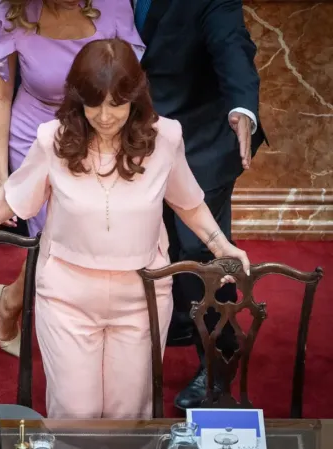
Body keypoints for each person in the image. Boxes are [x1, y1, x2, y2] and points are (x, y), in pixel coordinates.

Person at [0, 39, 251, 419]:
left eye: (117, 103)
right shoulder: (54, 139)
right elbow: (9, 199)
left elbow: (188, 202)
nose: (104, 115)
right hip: (67, 298)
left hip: (142, 295)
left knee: (127, 415)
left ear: (135, 97)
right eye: (93, 102)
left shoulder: (164, 138)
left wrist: (220, 244)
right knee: (74, 415)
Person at [0, 0, 143, 356]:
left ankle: (10, 299)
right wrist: (1, 176)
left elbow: (126, 89)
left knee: (84, 237)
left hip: (97, 134)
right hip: (34, 136)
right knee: (52, 241)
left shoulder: (114, 7)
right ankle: (62, 330)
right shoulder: (11, 11)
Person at [132, 0, 266, 409]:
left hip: (201, 140)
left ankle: (219, 358)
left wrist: (243, 107)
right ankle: (178, 322)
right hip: (133, 137)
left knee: (200, 250)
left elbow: (232, 45)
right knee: (153, 239)